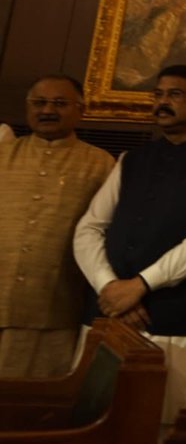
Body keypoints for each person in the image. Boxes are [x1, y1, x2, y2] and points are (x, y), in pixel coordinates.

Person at [74, 64, 186, 427]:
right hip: (107, 311)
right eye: (159, 94)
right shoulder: (132, 159)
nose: (163, 102)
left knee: (157, 424)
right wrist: (109, 285)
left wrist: (140, 285)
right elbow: (89, 228)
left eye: (175, 95)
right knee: (88, 418)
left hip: (171, 317)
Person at [0, 76, 113, 377]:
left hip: (55, 306)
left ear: (81, 110)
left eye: (60, 103)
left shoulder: (102, 164)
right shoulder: (3, 154)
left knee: (32, 405)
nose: (48, 110)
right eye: (39, 103)